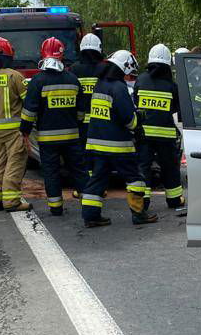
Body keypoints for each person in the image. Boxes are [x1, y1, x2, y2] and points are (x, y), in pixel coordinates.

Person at [81, 50, 158, 228]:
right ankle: (139, 213)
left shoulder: (100, 84)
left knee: (97, 179)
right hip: (118, 146)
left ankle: (90, 216)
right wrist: (140, 118)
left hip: (96, 144)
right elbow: (129, 120)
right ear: (124, 66)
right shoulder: (119, 87)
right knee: (135, 179)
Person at [20, 37, 88, 216]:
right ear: (61, 54)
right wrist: (76, 124)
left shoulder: (38, 81)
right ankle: (89, 204)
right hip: (72, 137)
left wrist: (25, 132)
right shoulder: (73, 79)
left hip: (47, 139)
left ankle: (56, 208)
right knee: (79, 170)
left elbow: (29, 111)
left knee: (51, 172)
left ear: (43, 54)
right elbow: (82, 110)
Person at [134, 44, 186, 214]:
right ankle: (174, 199)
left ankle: (143, 202)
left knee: (143, 168)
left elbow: (135, 102)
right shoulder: (172, 85)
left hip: (144, 135)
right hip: (166, 135)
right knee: (170, 168)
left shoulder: (140, 80)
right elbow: (176, 109)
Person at [0, 37, 31, 212]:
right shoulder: (15, 76)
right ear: (10, 55)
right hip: (14, 130)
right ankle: (11, 202)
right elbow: (28, 102)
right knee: (14, 164)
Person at [69, 29, 104, 183]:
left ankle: (86, 185)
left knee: (83, 154)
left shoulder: (75, 69)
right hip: (101, 119)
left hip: (81, 122)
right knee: (100, 154)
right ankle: (99, 183)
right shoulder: (104, 68)